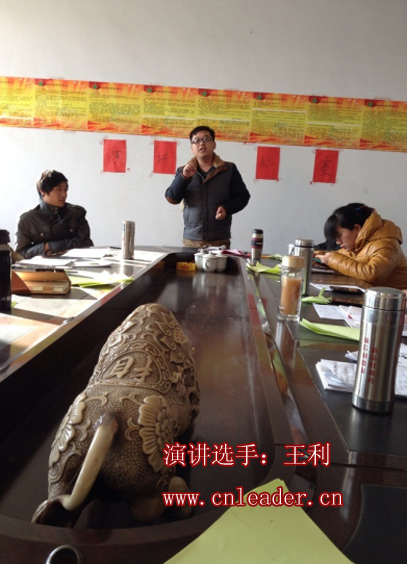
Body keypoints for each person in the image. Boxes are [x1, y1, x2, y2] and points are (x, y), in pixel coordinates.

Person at [165, 126, 250, 249]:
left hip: (219, 241)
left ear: (214, 145)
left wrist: (226, 208)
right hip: (191, 241)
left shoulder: (228, 170)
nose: (201, 143)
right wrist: (184, 177)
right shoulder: (183, 171)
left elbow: (243, 197)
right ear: (192, 148)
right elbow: (172, 198)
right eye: (196, 140)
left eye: (206, 139)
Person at [315, 203, 407, 289]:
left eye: (339, 236)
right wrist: (316, 256)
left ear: (357, 228)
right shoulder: (360, 243)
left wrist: (332, 260)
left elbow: (372, 274)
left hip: (398, 299)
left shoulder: (386, 244)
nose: (337, 242)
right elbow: (338, 256)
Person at [16, 170, 93, 258]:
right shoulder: (27, 219)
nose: (64, 194)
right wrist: (44, 247)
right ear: (43, 191)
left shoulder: (76, 213)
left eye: (65, 190)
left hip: (77, 263)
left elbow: (85, 243)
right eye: (59, 189)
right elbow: (20, 254)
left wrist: (50, 246)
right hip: (42, 266)